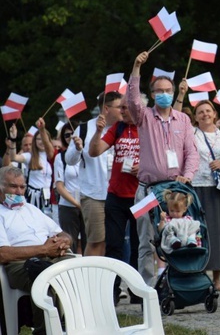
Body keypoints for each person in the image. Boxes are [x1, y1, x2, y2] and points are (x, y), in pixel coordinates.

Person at [127, 51, 199, 287]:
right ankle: (147, 289)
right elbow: (132, 101)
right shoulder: (144, 117)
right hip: (148, 190)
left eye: (169, 91)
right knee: (146, 241)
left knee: (179, 236)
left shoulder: (183, 119)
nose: (165, 95)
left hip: (176, 191)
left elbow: (192, 152)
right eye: (160, 91)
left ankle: (177, 284)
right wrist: (136, 68)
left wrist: (187, 177)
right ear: (153, 94)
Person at [0, 165, 73, 335]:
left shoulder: (31, 209)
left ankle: (76, 324)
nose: (19, 192)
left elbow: (61, 232)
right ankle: (45, 330)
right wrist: (43, 250)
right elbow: (3, 254)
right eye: (13, 186)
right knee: (42, 273)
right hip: (20, 264)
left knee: (80, 269)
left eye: (22, 187)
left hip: (51, 256)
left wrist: (63, 241)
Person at [88, 99, 140, 303]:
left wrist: (143, 165)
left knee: (139, 246)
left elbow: (160, 156)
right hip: (116, 196)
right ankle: (114, 290)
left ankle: (137, 291)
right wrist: (98, 131)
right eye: (121, 108)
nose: (122, 111)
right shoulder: (117, 128)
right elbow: (94, 151)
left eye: (126, 108)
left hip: (139, 196)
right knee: (114, 245)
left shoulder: (146, 128)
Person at [65, 91, 124, 256]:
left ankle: (112, 279)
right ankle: (89, 277)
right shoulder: (84, 129)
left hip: (119, 195)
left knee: (116, 241)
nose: (123, 110)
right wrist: (77, 149)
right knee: (96, 240)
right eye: (120, 107)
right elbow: (69, 160)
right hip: (94, 194)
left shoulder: (124, 128)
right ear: (106, 108)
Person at [192, 100, 220, 292]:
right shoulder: (192, 136)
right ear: (195, 117)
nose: (205, 114)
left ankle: (217, 279)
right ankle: (199, 276)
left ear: (215, 114)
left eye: (208, 111)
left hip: (218, 188)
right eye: (200, 112)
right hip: (198, 186)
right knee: (201, 232)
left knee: (219, 232)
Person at [4, 119, 56, 215]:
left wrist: (42, 129)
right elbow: (13, 157)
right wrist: (13, 139)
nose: (41, 141)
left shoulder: (51, 157)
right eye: (38, 139)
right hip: (33, 196)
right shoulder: (30, 156)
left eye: (43, 138)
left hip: (47, 197)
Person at [53, 122, 86, 254]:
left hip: (87, 202)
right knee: (69, 243)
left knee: (88, 242)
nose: (71, 137)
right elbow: (59, 186)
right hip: (68, 205)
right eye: (67, 135)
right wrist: (76, 204)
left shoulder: (86, 154)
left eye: (74, 134)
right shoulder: (60, 157)